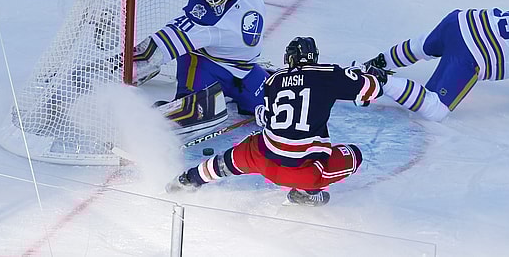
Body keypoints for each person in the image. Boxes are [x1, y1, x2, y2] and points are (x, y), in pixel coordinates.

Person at [165, 36, 385, 206]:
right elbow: (371, 90)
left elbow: (265, 115)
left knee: (231, 160)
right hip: (304, 171)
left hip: (265, 161)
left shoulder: (274, 80)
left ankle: (189, 179)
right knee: (354, 155)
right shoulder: (326, 74)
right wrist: (374, 76)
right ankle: (305, 194)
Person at [131, 0, 284, 135]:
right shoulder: (200, 18)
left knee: (272, 102)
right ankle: (145, 125)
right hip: (205, 66)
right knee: (196, 112)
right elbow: (154, 49)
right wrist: (119, 70)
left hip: (243, 68)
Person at [362, 0, 509, 122]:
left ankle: (373, 65)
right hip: (471, 53)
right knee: (436, 110)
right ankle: (381, 82)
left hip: (458, 21)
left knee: (423, 46)